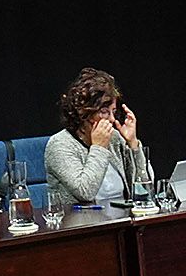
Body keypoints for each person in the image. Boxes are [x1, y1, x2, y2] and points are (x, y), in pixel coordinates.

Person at [41, 67, 152, 210]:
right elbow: (85, 192)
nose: (112, 119)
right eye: (104, 112)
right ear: (84, 112)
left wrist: (133, 144)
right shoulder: (60, 145)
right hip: (82, 226)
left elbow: (144, 187)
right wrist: (99, 148)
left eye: (113, 112)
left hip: (122, 221)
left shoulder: (114, 138)